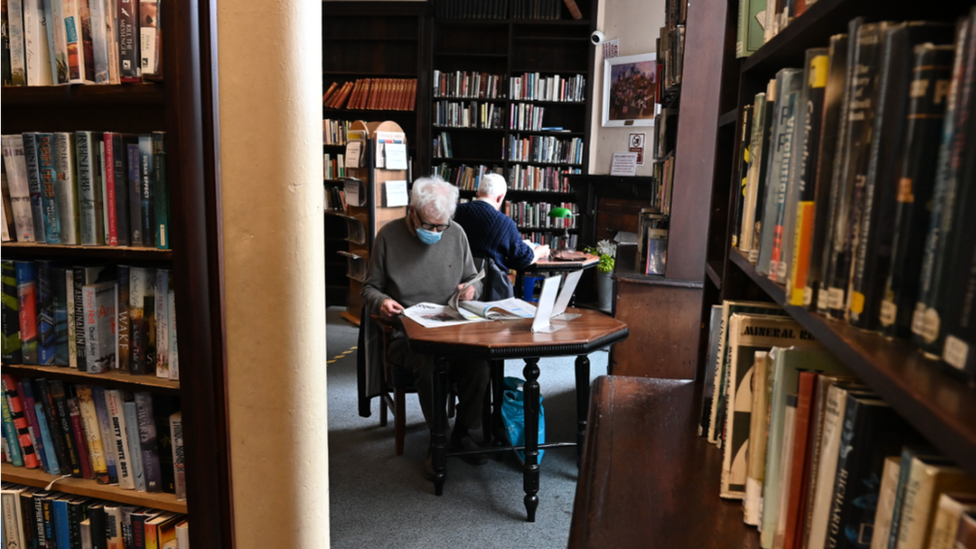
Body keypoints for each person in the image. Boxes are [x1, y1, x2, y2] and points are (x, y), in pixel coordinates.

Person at [361, 176, 490, 478]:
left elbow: (475, 280)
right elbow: (369, 289)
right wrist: (381, 303)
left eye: (440, 226)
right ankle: (439, 438)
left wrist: (472, 291)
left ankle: (462, 432)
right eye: (428, 225)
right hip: (406, 335)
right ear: (412, 211)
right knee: (430, 364)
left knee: (481, 365)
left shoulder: (455, 234)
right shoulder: (388, 236)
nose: (435, 232)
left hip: (451, 329)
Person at [453, 173, 550, 298]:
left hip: (455, 283)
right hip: (489, 291)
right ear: (500, 198)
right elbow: (522, 259)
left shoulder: (454, 212)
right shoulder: (503, 222)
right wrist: (539, 252)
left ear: (478, 194)